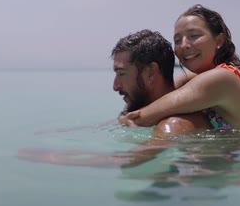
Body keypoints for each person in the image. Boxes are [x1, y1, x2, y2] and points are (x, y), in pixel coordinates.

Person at [17, 29, 211, 168]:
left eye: (122, 73)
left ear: (151, 72)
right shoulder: (147, 113)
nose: (115, 86)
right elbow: (121, 123)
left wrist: (49, 157)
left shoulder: (174, 123)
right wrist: (63, 132)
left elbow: (129, 160)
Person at [122, 4, 240, 130]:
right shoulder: (201, 77)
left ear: (219, 40)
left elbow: (143, 117)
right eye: (177, 40)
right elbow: (163, 93)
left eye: (194, 36)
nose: (184, 45)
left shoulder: (222, 78)